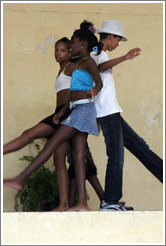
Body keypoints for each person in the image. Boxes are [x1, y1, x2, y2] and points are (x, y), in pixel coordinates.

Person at [4, 20, 103, 212]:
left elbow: (99, 79)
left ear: (81, 46)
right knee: (74, 157)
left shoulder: (78, 64)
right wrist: (64, 109)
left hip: (79, 112)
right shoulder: (78, 65)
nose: (61, 52)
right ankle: (76, 203)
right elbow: (74, 92)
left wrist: (95, 91)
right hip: (72, 111)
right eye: (58, 50)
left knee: (48, 143)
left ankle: (20, 178)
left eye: (68, 47)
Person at [90, 20, 163, 211]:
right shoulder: (97, 51)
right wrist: (125, 57)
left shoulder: (99, 52)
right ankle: (110, 201)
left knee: (140, 147)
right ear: (111, 36)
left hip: (111, 112)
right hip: (107, 113)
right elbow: (101, 67)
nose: (117, 44)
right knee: (116, 155)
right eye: (118, 40)